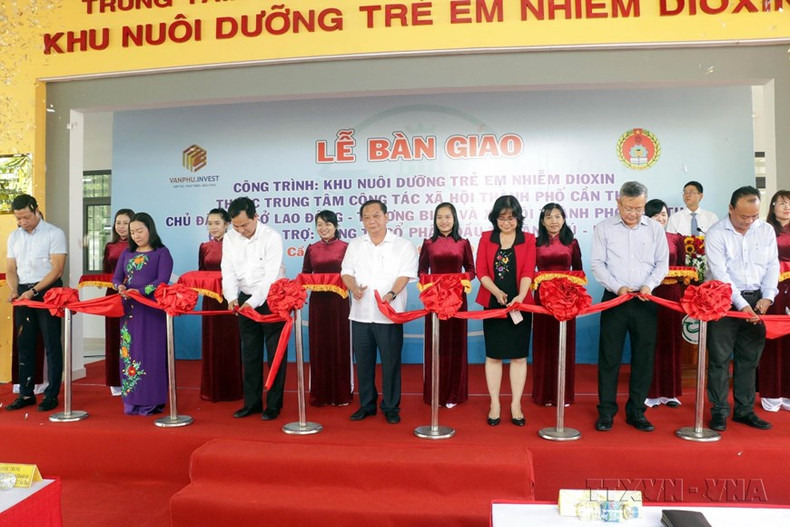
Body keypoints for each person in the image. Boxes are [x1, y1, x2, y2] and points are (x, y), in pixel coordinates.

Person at [591, 181, 668, 432]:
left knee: (643, 358)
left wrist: (649, 285)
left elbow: (661, 264)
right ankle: (606, 412)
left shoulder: (655, 229)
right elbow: (598, 264)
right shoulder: (604, 228)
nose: (634, 213)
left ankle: (636, 410)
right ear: (618, 202)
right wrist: (618, 288)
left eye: (639, 208)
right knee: (609, 357)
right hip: (615, 300)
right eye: (628, 208)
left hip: (645, 300)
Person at [706, 186, 778, 431]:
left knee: (749, 360)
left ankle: (744, 410)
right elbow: (721, 275)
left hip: (758, 301)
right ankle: (719, 410)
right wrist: (743, 305)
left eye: (754, 216)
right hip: (724, 302)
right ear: (730, 209)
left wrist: (767, 297)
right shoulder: (716, 234)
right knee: (719, 359)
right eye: (743, 216)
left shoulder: (766, 230)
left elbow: (772, 266)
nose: (749, 222)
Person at [341, 199, 418, 424]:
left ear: (386, 217)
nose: (372, 221)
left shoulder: (403, 245)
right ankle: (367, 404)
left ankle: (391, 406)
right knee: (364, 363)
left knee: (391, 362)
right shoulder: (355, 245)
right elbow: (346, 272)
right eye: (366, 217)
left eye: (376, 216)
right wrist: (353, 287)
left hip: (389, 314)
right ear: (362, 221)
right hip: (360, 314)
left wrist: (391, 295)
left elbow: (405, 274)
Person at [221, 197, 287, 420]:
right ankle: (252, 403)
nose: (240, 230)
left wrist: (252, 302)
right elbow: (227, 270)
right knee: (250, 353)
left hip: (271, 298)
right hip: (244, 298)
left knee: (274, 353)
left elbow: (269, 277)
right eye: (236, 226)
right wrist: (231, 297)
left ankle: (274, 404)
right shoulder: (230, 238)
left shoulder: (272, 238)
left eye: (244, 225)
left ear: (256, 217)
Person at [476, 195, 535, 427]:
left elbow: (529, 271)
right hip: (493, 304)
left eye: (511, 218)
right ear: (495, 218)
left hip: (520, 305)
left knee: (519, 357)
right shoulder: (486, 238)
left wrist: (520, 297)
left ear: (518, 218)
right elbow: (481, 271)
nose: (506, 223)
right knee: (494, 356)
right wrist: (497, 292)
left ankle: (516, 404)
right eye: (502, 218)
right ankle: (495, 404)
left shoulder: (528, 239)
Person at [5, 194, 66, 413]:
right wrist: (15, 289)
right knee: (25, 344)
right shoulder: (14, 236)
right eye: (19, 219)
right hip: (23, 293)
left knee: (51, 343)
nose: (23, 222)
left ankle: (51, 394)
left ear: (36, 209)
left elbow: (57, 269)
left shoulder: (54, 233)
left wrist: (33, 291)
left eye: (27, 217)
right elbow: (11, 269)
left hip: (48, 291)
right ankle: (26, 393)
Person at [112, 212, 173, 415]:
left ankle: (153, 400)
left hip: (152, 311)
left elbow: (162, 280)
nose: (136, 235)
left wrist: (141, 291)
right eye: (132, 232)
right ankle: (133, 400)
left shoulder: (161, 253)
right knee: (130, 353)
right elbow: (116, 277)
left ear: (150, 230)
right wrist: (120, 287)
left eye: (140, 231)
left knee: (152, 353)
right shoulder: (127, 253)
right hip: (129, 311)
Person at [418, 202, 475, 408]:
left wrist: (457, 280)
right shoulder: (428, 243)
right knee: (436, 344)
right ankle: (436, 392)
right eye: (440, 217)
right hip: (434, 298)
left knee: (456, 344)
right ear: (435, 220)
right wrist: (433, 284)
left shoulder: (463, 243)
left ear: (455, 219)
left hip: (457, 299)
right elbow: (422, 270)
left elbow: (471, 270)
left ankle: (454, 394)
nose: (444, 221)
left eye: (448, 217)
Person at [531, 203, 582, 407]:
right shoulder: (535, 243)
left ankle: (564, 394)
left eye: (558, 216)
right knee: (544, 344)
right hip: (542, 298)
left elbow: (578, 270)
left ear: (564, 219)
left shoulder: (572, 242)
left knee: (565, 344)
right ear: (542, 221)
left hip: (567, 299)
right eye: (549, 217)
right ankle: (543, 394)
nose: (554, 221)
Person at [301, 210, 352, 406]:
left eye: (327, 224)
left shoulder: (346, 248)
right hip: (318, 304)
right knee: (319, 345)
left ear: (336, 226)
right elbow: (306, 273)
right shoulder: (312, 248)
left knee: (340, 344)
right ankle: (319, 393)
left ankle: (341, 393)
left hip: (339, 302)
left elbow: (351, 274)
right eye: (319, 225)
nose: (323, 228)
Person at [643, 199, 686, 408]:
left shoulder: (676, 239)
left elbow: (684, 269)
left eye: (663, 214)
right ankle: (650, 392)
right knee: (649, 341)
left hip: (671, 294)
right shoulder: (641, 240)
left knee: (671, 341)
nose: (661, 218)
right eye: (655, 215)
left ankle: (670, 392)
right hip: (649, 294)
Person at [198, 207, 242, 402]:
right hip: (210, 301)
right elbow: (201, 274)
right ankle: (211, 389)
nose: (213, 227)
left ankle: (232, 389)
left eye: (217, 223)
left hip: (231, 300)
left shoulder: (237, 245)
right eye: (210, 223)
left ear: (227, 225)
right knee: (212, 342)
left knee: (230, 342)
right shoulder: (204, 247)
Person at [759, 190, 790, 412]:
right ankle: (771, 392)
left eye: (789, 203)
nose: (786, 207)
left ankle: (787, 393)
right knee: (772, 340)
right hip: (773, 289)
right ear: (772, 206)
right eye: (781, 203)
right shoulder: (765, 230)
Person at [103, 208, 134, 396]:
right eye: (118, 223)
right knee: (114, 337)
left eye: (125, 222)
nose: (121, 227)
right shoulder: (109, 246)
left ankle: (133, 376)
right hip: (113, 294)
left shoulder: (139, 246)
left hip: (133, 295)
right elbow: (106, 272)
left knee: (131, 337)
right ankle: (116, 381)